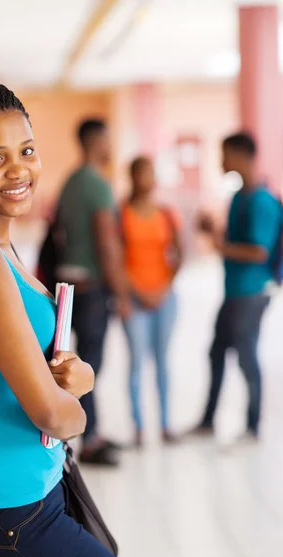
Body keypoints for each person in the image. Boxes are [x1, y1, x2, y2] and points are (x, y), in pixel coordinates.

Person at [0, 81, 157, 557]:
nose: (18, 169)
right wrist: (79, 397)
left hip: (22, 495)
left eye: (26, 151)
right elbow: (53, 414)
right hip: (4, 511)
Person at [193, 132, 282, 441]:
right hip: (233, 291)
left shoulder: (262, 200)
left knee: (247, 357)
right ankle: (208, 421)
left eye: (225, 154)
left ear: (241, 155)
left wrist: (220, 245)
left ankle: (253, 424)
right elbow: (234, 239)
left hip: (251, 292)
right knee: (217, 353)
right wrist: (215, 233)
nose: (221, 161)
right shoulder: (238, 197)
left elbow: (259, 251)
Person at [56, 119, 131, 466]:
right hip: (92, 287)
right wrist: (122, 292)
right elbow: (106, 242)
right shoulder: (98, 185)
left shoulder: (69, 183)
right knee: (88, 368)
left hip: (66, 284)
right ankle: (88, 440)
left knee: (71, 363)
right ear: (95, 140)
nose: (110, 145)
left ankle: (90, 433)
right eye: (107, 138)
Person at [121, 157, 182, 447]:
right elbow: (116, 258)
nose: (149, 179)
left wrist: (166, 287)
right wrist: (136, 292)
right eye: (144, 174)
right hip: (134, 300)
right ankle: (138, 427)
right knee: (136, 363)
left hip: (164, 298)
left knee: (162, 361)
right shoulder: (121, 213)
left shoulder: (166, 213)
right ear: (133, 177)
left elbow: (180, 252)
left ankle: (166, 424)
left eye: (152, 174)